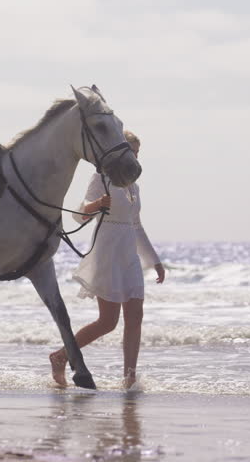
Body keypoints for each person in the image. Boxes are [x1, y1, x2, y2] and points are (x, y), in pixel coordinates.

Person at [49, 130, 165, 389]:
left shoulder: (134, 187)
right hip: (107, 251)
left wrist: (155, 260)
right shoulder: (101, 178)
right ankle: (60, 356)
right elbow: (79, 215)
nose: (134, 157)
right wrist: (97, 203)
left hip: (129, 256)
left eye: (137, 153)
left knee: (135, 317)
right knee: (108, 322)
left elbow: (136, 226)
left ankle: (129, 378)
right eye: (131, 152)